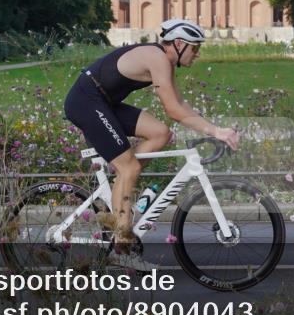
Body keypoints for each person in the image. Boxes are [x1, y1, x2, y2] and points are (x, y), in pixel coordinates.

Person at [63, 19, 240, 264]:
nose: (197, 54)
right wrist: (215, 132)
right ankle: (120, 242)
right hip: (86, 101)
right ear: (178, 44)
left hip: (104, 102)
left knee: (161, 133)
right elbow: (173, 111)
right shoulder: (157, 58)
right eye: (195, 48)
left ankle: (122, 182)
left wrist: (213, 128)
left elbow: (180, 104)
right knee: (130, 167)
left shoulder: (164, 60)